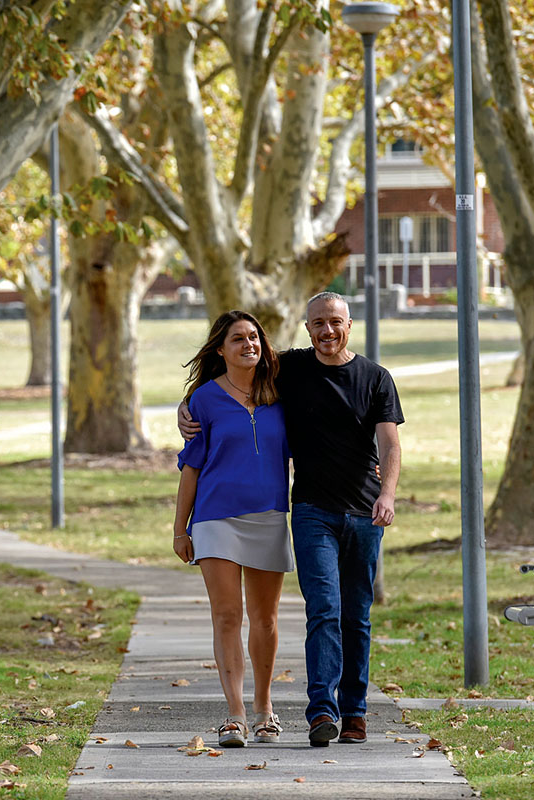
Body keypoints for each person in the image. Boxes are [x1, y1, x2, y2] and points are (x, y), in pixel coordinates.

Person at [179, 292, 403, 748]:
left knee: (323, 617)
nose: (327, 331)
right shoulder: (268, 378)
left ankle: (314, 711)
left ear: (349, 324)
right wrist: (186, 410)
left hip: (320, 513)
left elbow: (384, 443)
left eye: (335, 322)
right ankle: (285, 712)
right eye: (318, 322)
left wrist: (386, 489)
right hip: (272, 514)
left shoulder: (338, 382)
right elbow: (200, 443)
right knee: (291, 611)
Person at [174, 310, 294, 749]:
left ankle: (264, 710)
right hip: (214, 517)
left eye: (255, 337)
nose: (249, 344)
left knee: (265, 618)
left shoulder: (281, 392)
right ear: (220, 349)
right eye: (238, 339)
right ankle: (235, 715)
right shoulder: (204, 400)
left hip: (268, 516)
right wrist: (179, 529)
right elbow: (191, 467)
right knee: (227, 615)